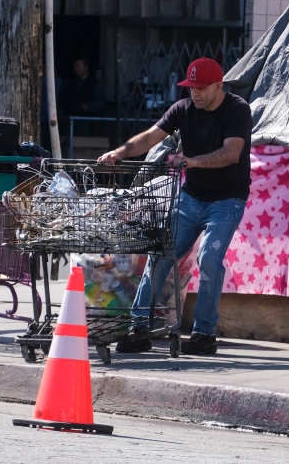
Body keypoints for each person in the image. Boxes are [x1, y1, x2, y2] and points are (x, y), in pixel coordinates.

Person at [98, 57, 251, 355]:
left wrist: (193, 161)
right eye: (191, 87)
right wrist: (119, 152)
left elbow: (232, 153)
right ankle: (139, 329)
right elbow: (149, 137)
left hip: (227, 199)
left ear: (219, 86)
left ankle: (204, 335)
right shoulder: (183, 109)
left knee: (209, 259)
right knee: (160, 255)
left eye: (202, 88)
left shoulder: (237, 109)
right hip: (191, 196)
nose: (195, 93)